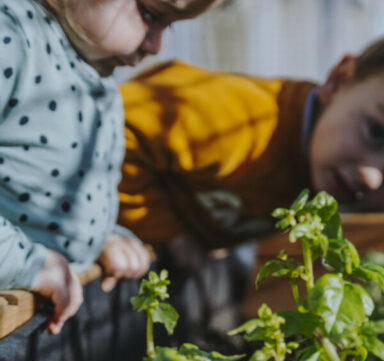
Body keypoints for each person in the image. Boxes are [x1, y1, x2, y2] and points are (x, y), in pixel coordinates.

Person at [118, 22, 384, 265]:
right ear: (339, 80)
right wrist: (170, 234)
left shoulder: (316, 172)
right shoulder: (238, 123)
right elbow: (117, 129)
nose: (373, 178)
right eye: (377, 132)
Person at [0, 0, 222, 334]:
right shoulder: (13, 36)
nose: (156, 45)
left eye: (169, 26)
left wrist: (97, 239)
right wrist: (27, 264)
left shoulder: (94, 75)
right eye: (150, 15)